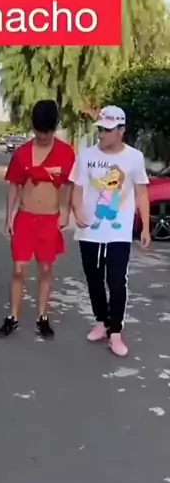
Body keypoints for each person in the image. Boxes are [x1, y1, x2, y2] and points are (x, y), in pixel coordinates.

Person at [70, 105, 150, 357]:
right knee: (93, 278)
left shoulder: (134, 157)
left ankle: (115, 331)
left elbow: (142, 192)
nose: (102, 134)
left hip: (119, 232)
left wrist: (146, 227)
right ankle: (101, 321)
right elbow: (77, 188)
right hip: (89, 230)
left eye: (107, 130)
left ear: (121, 131)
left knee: (116, 281)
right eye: (101, 129)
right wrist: (77, 210)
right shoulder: (86, 155)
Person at [0, 100, 75, 339]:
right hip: (25, 218)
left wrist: (65, 211)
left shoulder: (65, 153)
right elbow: (14, 185)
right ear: (32, 127)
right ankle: (13, 316)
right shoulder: (22, 153)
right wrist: (9, 215)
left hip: (50, 220)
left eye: (47, 132)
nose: (42, 136)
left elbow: (69, 184)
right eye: (39, 131)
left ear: (54, 128)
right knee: (18, 269)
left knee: (46, 267)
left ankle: (43, 317)